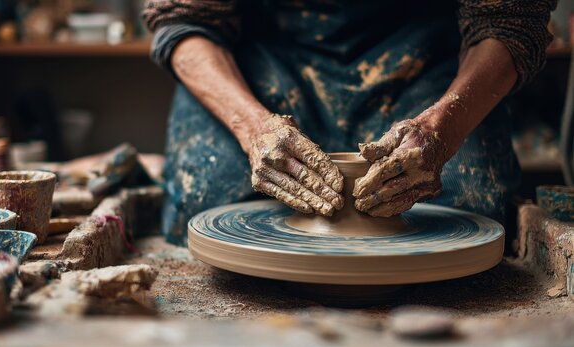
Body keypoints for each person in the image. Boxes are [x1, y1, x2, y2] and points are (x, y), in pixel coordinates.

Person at [143, 0, 556, 245]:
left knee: (469, 216)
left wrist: (441, 130)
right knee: (209, 210)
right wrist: (253, 128)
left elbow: (510, 21)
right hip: (260, 64)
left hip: (426, 63)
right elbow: (185, 19)